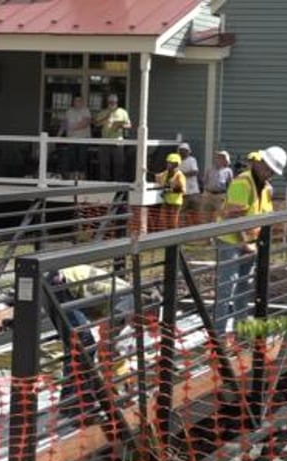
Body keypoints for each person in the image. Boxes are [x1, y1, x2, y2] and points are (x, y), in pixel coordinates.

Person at [214, 145, 287, 333]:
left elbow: (265, 215)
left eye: (273, 171)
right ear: (259, 163)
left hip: (250, 244)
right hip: (232, 242)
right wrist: (244, 244)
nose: (270, 174)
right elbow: (234, 218)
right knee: (226, 290)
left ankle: (241, 333)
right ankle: (219, 338)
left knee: (243, 289)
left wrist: (255, 244)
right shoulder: (243, 183)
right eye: (269, 169)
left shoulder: (264, 187)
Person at [47, 264, 136, 417]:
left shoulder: (130, 302)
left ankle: (74, 400)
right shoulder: (125, 307)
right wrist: (117, 379)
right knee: (82, 342)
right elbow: (107, 347)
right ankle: (74, 403)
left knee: (80, 344)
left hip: (69, 284)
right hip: (62, 283)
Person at [93, 94, 130, 182]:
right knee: (104, 165)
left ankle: (118, 185)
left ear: (117, 102)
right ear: (107, 102)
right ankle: (104, 185)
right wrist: (106, 118)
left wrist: (120, 125)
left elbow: (129, 125)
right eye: (110, 102)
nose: (112, 104)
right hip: (105, 142)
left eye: (114, 102)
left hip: (118, 142)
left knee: (118, 165)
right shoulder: (103, 112)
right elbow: (96, 124)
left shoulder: (123, 112)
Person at [57, 95, 92, 179]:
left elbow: (85, 123)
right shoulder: (69, 111)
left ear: (82, 102)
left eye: (79, 100)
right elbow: (64, 123)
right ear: (73, 102)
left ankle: (82, 179)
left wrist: (72, 128)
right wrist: (58, 135)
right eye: (76, 100)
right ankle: (72, 179)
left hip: (83, 139)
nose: (77, 102)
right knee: (72, 159)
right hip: (71, 139)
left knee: (81, 159)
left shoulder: (85, 110)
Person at [154, 152, 186, 231]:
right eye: (168, 163)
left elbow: (182, 189)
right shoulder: (166, 173)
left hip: (175, 203)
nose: (168, 165)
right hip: (166, 201)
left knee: (173, 223)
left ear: (176, 164)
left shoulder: (179, 175)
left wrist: (170, 190)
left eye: (170, 163)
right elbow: (159, 178)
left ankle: (173, 240)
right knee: (163, 221)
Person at [202, 150, 234, 222]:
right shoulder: (209, 169)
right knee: (205, 216)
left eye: (221, 158)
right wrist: (205, 193)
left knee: (219, 217)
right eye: (218, 157)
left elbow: (230, 185)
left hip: (220, 196)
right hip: (208, 195)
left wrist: (228, 197)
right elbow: (204, 181)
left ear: (225, 160)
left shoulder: (228, 171)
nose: (218, 159)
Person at [177, 142, 201, 224]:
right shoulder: (177, 162)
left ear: (188, 151)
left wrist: (182, 175)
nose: (182, 152)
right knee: (181, 215)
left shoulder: (192, 160)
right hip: (182, 193)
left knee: (197, 213)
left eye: (184, 151)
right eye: (181, 151)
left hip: (193, 192)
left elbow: (195, 172)